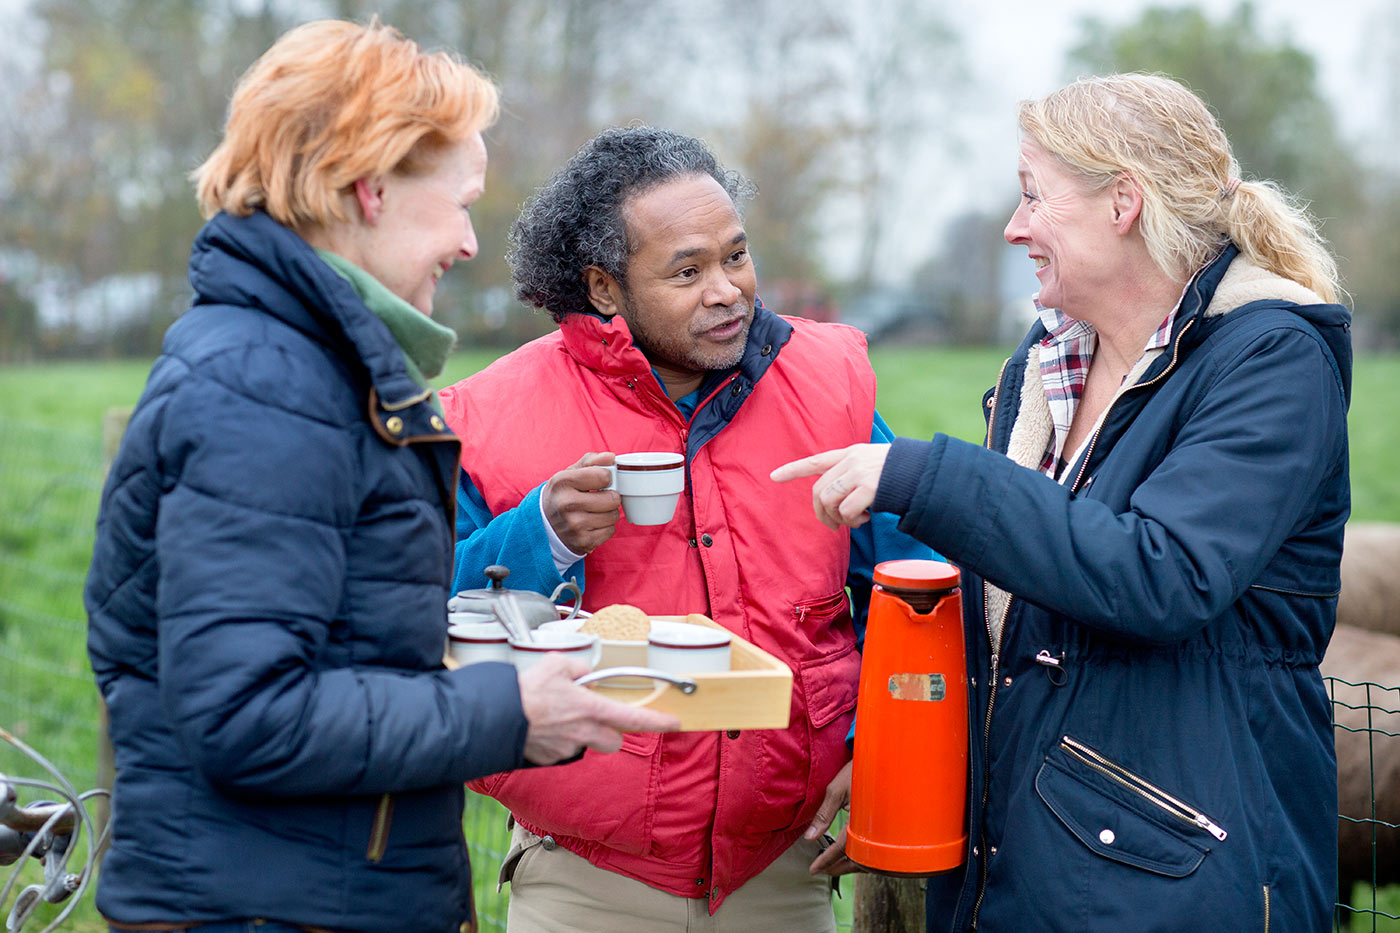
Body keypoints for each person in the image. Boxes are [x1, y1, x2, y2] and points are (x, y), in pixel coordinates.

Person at [83, 20, 675, 933]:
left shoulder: (304, 368)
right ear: (370, 188)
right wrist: (505, 709)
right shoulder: (267, 389)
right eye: (460, 201)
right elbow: (249, 713)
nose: (472, 242)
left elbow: (331, 646)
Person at [773, 73, 1351, 932]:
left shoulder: (1271, 362)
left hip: (1178, 880)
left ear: (1123, 201)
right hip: (1023, 866)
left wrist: (929, 477)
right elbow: (1020, 627)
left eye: (1033, 195)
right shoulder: (1044, 368)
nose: (1014, 228)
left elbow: (1161, 574)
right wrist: (910, 763)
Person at [438, 126, 936, 931]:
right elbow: (428, 614)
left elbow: (912, 588)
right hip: (585, 879)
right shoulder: (487, 416)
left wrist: (874, 747)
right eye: (687, 270)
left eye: (735, 257)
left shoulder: (830, 385)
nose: (727, 290)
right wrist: (542, 532)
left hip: (784, 872)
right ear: (604, 287)